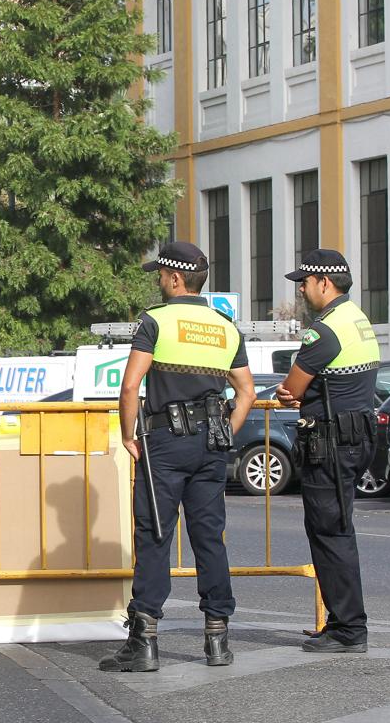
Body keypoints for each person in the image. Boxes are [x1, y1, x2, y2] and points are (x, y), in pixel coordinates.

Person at [100, 242, 255, 673]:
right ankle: (218, 639)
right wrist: (225, 432)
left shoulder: (156, 320)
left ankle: (144, 641)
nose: (158, 280)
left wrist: (129, 435)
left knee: (154, 534)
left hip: (165, 442)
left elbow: (131, 386)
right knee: (209, 536)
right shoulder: (225, 326)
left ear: (174, 278)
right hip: (211, 444)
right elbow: (246, 392)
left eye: (160, 274)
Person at [275, 249, 379, 654]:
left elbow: (291, 389)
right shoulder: (360, 319)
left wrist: (290, 394)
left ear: (325, 283)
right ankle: (342, 622)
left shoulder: (324, 330)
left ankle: (348, 629)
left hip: (330, 444)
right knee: (339, 530)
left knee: (330, 533)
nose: (301, 290)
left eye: (304, 282)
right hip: (356, 438)